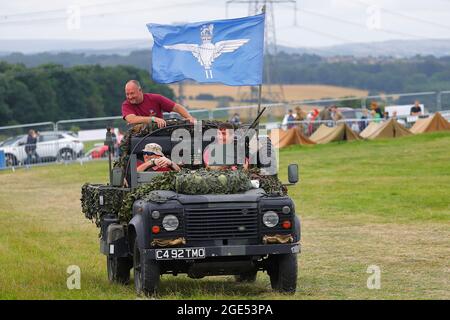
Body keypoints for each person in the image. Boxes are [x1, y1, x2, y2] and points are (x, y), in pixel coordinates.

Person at [121, 80, 196, 127]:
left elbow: (176, 107)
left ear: (140, 90)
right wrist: (154, 119)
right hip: (138, 137)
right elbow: (131, 119)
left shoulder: (156, 98)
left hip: (158, 133)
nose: (130, 97)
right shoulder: (126, 105)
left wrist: (189, 117)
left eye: (132, 93)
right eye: (127, 94)